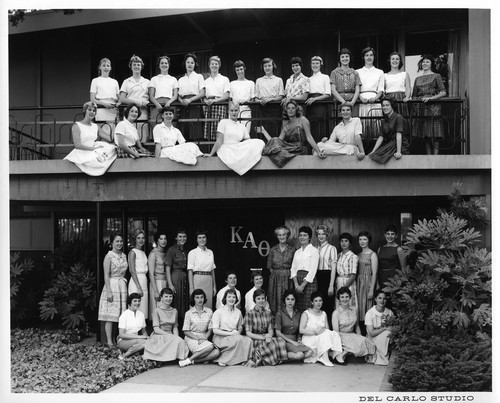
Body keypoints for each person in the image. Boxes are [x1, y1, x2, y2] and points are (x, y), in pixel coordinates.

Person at [203, 101, 265, 175]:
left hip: (237, 149)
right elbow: (219, 141)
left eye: (236, 110)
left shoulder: (242, 127)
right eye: (231, 110)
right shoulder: (223, 122)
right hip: (226, 149)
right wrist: (211, 154)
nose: (234, 113)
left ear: (239, 111)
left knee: (259, 142)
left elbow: (249, 142)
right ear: (228, 111)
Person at [260, 100, 326, 168]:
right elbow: (276, 142)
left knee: (277, 152)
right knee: (275, 141)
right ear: (286, 111)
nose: (290, 110)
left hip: (300, 149)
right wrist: (264, 131)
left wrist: (318, 151)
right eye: (288, 108)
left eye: (293, 108)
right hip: (290, 148)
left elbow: (309, 137)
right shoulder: (286, 126)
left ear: (296, 110)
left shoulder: (302, 120)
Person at [64, 101, 117, 176]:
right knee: (97, 160)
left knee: (111, 148)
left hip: (93, 149)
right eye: (89, 110)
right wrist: (94, 149)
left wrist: (116, 126)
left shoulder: (95, 126)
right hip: (82, 151)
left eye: (94, 111)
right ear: (85, 111)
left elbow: (110, 138)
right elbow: (77, 145)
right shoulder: (77, 125)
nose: (92, 112)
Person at [411, 54, 447, 155]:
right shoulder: (417, 79)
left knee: (435, 133)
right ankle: (428, 156)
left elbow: (443, 92)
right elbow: (414, 95)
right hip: (421, 108)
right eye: (423, 62)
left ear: (431, 64)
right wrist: (415, 110)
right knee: (425, 134)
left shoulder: (436, 76)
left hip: (433, 107)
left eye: (427, 62)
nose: (425, 63)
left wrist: (431, 98)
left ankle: (435, 157)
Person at [331, 287, 376, 365]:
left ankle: (344, 353)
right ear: (339, 299)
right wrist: (354, 338)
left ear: (350, 297)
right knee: (358, 344)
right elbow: (336, 332)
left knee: (365, 341)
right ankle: (341, 355)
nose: (345, 299)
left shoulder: (354, 309)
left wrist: (359, 336)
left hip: (352, 334)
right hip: (341, 336)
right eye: (342, 297)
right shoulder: (336, 313)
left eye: (347, 297)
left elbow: (357, 325)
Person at [143, 288, 189, 363]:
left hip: (170, 334)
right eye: (166, 296)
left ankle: (179, 359)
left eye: (170, 296)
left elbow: (175, 326)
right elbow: (156, 329)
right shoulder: (156, 311)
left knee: (180, 341)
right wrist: (170, 336)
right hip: (159, 335)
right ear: (161, 298)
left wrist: (176, 337)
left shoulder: (174, 311)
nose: (168, 299)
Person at [244, 289, 288, 367]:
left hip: (266, 336)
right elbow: (248, 333)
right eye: (258, 298)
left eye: (263, 298)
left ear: (265, 299)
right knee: (271, 344)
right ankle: (261, 359)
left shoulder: (268, 313)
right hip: (255, 338)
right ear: (254, 299)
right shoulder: (250, 313)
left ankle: (262, 358)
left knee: (281, 341)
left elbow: (270, 329)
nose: (261, 301)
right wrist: (263, 337)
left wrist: (269, 336)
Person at [98, 233, 128, 346]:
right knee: (110, 315)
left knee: (121, 314)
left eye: (121, 241)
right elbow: (106, 275)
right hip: (112, 285)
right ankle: (109, 342)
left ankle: (120, 340)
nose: (119, 243)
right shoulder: (109, 256)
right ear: (112, 243)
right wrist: (109, 291)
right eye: (117, 241)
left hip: (122, 286)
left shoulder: (124, 256)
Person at [210, 289, 253, 366]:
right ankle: (223, 359)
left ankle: (244, 359)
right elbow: (215, 330)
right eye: (229, 297)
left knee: (249, 340)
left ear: (236, 299)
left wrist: (238, 332)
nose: (231, 299)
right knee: (238, 340)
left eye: (234, 297)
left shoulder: (238, 312)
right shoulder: (218, 312)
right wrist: (230, 333)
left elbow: (240, 326)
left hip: (234, 335)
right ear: (225, 298)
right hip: (221, 337)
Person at [299, 291, 342, 366]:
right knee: (324, 335)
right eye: (316, 301)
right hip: (309, 337)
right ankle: (325, 358)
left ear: (322, 302)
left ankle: (333, 355)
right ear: (312, 302)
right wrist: (315, 332)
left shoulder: (324, 313)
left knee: (334, 333)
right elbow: (301, 330)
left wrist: (321, 332)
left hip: (321, 337)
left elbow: (327, 329)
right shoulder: (306, 313)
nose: (318, 303)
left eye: (320, 300)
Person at [179, 289, 220, 367]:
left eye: (201, 297)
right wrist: (197, 338)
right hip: (191, 337)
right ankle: (191, 360)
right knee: (210, 346)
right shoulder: (189, 313)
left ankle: (191, 360)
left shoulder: (209, 311)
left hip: (204, 337)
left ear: (204, 298)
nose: (200, 299)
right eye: (197, 297)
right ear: (193, 299)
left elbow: (210, 329)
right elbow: (185, 331)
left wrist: (204, 338)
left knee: (216, 352)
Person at [274, 289, 314, 361]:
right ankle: (282, 354)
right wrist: (292, 342)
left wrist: (299, 340)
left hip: (295, 340)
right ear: (284, 300)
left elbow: (299, 331)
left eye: (292, 299)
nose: (290, 301)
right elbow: (278, 333)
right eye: (288, 299)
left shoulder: (298, 313)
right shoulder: (280, 313)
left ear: (295, 301)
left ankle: (284, 355)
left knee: (310, 352)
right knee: (300, 355)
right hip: (283, 341)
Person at [119, 55, 150, 141]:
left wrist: (145, 102)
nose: (136, 66)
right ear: (131, 66)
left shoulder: (147, 82)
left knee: (142, 134)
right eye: (134, 64)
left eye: (138, 65)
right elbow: (122, 99)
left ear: (141, 67)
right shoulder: (126, 81)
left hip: (142, 111)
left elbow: (151, 97)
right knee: (129, 135)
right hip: (129, 111)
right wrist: (136, 102)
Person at [368, 97, 409, 164]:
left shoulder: (398, 117)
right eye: (383, 105)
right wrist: (373, 151)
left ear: (392, 106)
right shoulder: (384, 121)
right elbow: (381, 137)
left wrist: (398, 152)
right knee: (374, 154)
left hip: (400, 145)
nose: (385, 107)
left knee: (380, 156)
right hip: (390, 144)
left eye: (387, 105)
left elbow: (399, 135)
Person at [267, 225, 296, 314]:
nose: (282, 237)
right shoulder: (272, 250)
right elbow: (269, 266)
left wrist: (286, 274)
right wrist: (277, 274)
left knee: (288, 298)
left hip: (288, 278)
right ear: (277, 236)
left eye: (284, 234)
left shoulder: (292, 249)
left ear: (287, 235)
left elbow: (295, 266)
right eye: (279, 235)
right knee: (274, 300)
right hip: (275, 279)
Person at [356, 47, 384, 138]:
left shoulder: (380, 72)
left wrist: (375, 98)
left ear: (374, 57)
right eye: (366, 55)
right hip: (362, 101)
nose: (369, 57)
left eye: (371, 55)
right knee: (363, 126)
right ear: (363, 57)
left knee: (376, 126)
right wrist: (361, 98)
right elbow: (356, 88)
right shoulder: (357, 72)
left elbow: (381, 89)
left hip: (375, 101)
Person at [290, 226, 319, 313]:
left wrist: (302, 285)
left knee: (308, 307)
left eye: (305, 235)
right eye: (300, 235)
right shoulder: (297, 252)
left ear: (309, 237)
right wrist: (296, 285)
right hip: (297, 281)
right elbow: (293, 269)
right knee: (297, 307)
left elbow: (313, 270)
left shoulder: (314, 251)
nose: (302, 237)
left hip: (309, 282)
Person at [377, 224, 406, 310]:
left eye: (392, 234)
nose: (390, 236)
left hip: (394, 278)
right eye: (388, 234)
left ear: (396, 235)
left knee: (393, 301)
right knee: (382, 300)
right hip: (382, 277)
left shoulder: (399, 249)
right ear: (385, 235)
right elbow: (378, 266)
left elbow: (403, 268)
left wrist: (400, 282)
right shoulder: (380, 249)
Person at [177, 53, 205, 141]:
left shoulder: (199, 77)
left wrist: (190, 100)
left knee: (195, 131)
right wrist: (181, 101)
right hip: (184, 105)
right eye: (188, 62)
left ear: (195, 64)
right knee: (184, 130)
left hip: (195, 104)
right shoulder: (181, 79)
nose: (190, 64)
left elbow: (202, 93)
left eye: (192, 62)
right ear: (185, 64)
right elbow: (177, 95)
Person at [165, 228, 189, 327]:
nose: (182, 238)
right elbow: (167, 268)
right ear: (176, 238)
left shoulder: (187, 251)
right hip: (175, 277)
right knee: (176, 301)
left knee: (184, 303)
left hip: (185, 277)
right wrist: (170, 284)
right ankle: (175, 327)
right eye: (180, 236)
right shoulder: (171, 250)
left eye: (184, 236)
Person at [89, 58, 120, 135]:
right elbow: (92, 99)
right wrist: (104, 104)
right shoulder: (95, 80)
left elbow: (119, 97)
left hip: (113, 109)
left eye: (108, 65)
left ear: (110, 68)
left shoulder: (114, 81)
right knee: (104, 131)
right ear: (100, 67)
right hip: (101, 109)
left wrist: (118, 104)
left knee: (114, 131)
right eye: (104, 65)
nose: (106, 67)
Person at [255, 57, 285, 135]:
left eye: (269, 65)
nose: (267, 68)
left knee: (275, 130)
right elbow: (256, 98)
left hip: (275, 109)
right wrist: (260, 101)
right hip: (262, 109)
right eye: (265, 66)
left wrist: (270, 100)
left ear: (273, 66)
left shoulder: (279, 80)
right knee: (262, 131)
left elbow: (281, 97)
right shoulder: (259, 80)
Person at [187, 230, 216, 310]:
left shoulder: (210, 252)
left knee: (208, 304)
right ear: (196, 240)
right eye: (199, 238)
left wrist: (214, 286)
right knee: (197, 303)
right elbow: (190, 271)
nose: (202, 240)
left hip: (208, 280)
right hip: (197, 279)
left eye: (203, 237)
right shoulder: (192, 253)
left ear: (206, 239)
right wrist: (191, 288)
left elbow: (212, 270)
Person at [203, 56, 230, 141]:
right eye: (212, 64)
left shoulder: (224, 79)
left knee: (220, 130)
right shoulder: (206, 81)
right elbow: (203, 96)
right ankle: (210, 151)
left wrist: (215, 101)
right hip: (209, 106)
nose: (214, 65)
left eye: (216, 64)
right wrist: (205, 102)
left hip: (220, 105)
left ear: (219, 65)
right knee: (209, 132)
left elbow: (226, 95)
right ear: (209, 65)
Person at [356, 231, 378, 334]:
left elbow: (374, 273)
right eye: (360, 239)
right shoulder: (358, 255)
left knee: (367, 306)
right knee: (360, 307)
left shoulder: (372, 254)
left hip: (368, 282)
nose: (362, 241)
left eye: (364, 239)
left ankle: (369, 333)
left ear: (369, 240)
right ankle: (361, 333)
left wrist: (371, 290)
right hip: (359, 283)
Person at [365, 290, 394, 366]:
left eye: (384, 298)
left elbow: (392, 327)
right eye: (379, 298)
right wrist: (384, 328)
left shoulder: (389, 312)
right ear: (375, 299)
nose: (382, 300)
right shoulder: (370, 313)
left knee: (388, 334)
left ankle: (385, 356)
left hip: (385, 337)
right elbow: (371, 333)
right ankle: (383, 358)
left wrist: (388, 329)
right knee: (386, 333)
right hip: (372, 337)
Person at [305, 56, 331, 140]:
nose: (315, 65)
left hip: (321, 105)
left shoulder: (325, 77)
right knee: (311, 126)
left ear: (320, 65)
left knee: (321, 126)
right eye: (313, 63)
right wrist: (311, 99)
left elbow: (327, 94)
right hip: (310, 105)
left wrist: (315, 99)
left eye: (317, 63)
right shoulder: (308, 79)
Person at [314, 225, 337, 322]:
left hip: (327, 277)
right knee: (318, 303)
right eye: (319, 234)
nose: (321, 236)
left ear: (327, 235)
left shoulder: (332, 248)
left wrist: (331, 285)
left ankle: (329, 329)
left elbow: (334, 268)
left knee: (327, 304)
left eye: (323, 234)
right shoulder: (315, 248)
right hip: (316, 277)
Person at [330, 48, 361, 116]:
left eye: (347, 56)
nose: (345, 58)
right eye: (342, 57)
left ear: (350, 58)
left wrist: (352, 102)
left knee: (353, 123)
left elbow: (357, 89)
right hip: (339, 103)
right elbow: (333, 89)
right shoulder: (334, 72)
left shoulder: (355, 73)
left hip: (353, 103)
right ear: (339, 59)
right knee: (340, 124)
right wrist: (343, 102)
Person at [117, 293, 148, 359]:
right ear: (130, 302)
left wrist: (146, 337)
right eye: (135, 301)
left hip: (138, 340)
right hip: (123, 341)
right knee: (144, 342)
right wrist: (140, 337)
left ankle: (128, 354)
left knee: (148, 342)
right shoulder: (124, 315)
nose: (137, 303)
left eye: (139, 301)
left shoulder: (141, 314)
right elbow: (122, 334)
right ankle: (125, 356)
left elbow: (144, 331)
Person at [332, 232, 358, 310]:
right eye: (342, 241)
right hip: (339, 281)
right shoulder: (338, 255)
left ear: (350, 243)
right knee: (338, 305)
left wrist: (344, 289)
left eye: (346, 241)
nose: (343, 243)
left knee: (348, 303)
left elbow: (353, 275)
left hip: (348, 282)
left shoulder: (353, 256)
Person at [149, 55, 178, 122]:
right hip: (157, 104)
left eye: (166, 63)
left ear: (168, 65)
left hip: (170, 104)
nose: (164, 65)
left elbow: (175, 95)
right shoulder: (154, 79)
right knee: (156, 125)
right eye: (162, 63)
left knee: (170, 125)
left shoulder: (173, 79)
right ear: (159, 65)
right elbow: (151, 96)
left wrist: (169, 102)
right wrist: (157, 104)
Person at [127, 229, 149, 319]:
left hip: (143, 280)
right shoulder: (132, 252)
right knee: (135, 307)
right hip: (136, 282)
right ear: (135, 239)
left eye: (143, 238)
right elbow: (132, 270)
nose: (141, 240)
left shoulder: (143, 253)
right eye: (138, 238)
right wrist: (138, 287)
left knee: (143, 308)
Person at [229, 60, 255, 131]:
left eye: (241, 69)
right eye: (237, 70)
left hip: (246, 111)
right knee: (234, 133)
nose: (240, 72)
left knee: (245, 132)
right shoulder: (232, 83)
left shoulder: (250, 83)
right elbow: (230, 99)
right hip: (234, 111)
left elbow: (253, 99)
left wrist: (247, 103)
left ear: (244, 69)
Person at [383, 51, 411, 117]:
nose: (395, 61)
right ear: (389, 61)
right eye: (393, 59)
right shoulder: (385, 75)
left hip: (401, 99)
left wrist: (407, 97)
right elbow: (383, 90)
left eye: (397, 59)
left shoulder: (405, 74)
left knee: (402, 119)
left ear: (400, 61)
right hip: (389, 100)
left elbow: (408, 88)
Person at [148, 230, 168, 318]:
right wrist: (156, 291)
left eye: (165, 239)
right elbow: (151, 274)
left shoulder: (166, 252)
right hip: (156, 282)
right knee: (158, 307)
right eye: (161, 239)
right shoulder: (153, 253)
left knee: (165, 307)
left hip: (165, 282)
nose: (163, 241)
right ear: (157, 240)